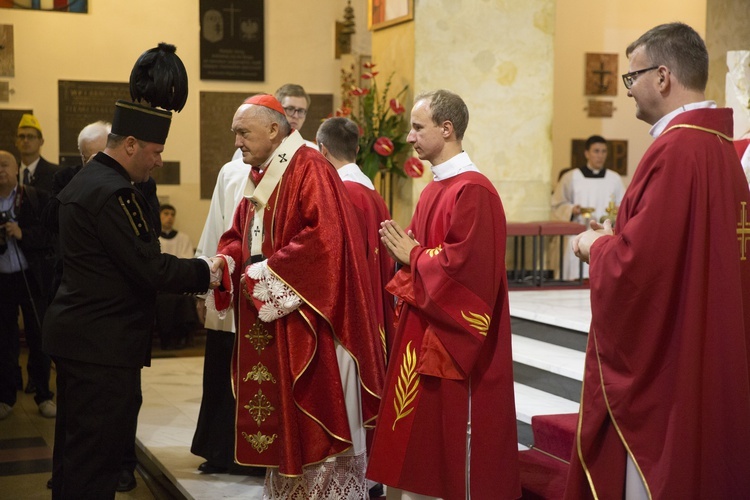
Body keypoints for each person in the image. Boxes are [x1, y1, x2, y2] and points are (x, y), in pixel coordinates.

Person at [567, 22, 750, 499]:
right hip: (707, 343)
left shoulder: (674, 150)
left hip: (667, 369)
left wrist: (595, 246)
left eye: (632, 78)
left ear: (662, 77)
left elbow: (637, 269)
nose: (627, 90)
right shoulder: (721, 151)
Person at [42, 43, 218, 499]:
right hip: (102, 341)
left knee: (73, 450)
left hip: (81, 334)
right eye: (156, 152)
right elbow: (150, 268)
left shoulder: (89, 179)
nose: (159, 161)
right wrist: (208, 272)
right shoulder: (116, 193)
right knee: (95, 459)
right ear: (132, 145)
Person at [209, 94, 384, 498]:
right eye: (236, 133)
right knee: (284, 425)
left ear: (274, 130)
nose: (236, 141)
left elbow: (324, 242)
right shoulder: (260, 174)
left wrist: (263, 273)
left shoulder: (310, 168)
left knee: (316, 425)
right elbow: (243, 235)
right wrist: (226, 260)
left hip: (312, 321)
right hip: (274, 317)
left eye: (243, 132)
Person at [366, 90, 521, 500]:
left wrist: (412, 255)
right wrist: (406, 259)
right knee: (417, 439)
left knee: (451, 443)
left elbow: (468, 273)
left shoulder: (474, 192)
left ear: (447, 129)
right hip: (424, 331)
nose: (410, 138)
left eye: (418, 128)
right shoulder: (434, 190)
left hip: (454, 344)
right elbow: (423, 256)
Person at [191, 152, 253, 474]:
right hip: (229, 286)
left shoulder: (298, 169)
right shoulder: (231, 170)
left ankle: (260, 455)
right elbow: (216, 225)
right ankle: (218, 449)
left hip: (265, 293)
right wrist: (204, 289)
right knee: (221, 367)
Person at [316, 117, 395, 357]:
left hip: (349, 317)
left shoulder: (341, 193)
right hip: (375, 305)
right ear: (357, 149)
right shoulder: (372, 193)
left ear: (322, 149)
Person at [0, 151, 56, 420]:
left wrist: (22, 234)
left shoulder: (34, 197)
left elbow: (50, 235)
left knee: (39, 337)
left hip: (30, 278)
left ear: (16, 169)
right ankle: (6, 397)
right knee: (5, 341)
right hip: (3, 281)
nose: (0, 170)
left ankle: (44, 395)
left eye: (5, 164)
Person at [550, 135, 625, 280]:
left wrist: (618, 210)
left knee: (602, 277)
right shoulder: (571, 177)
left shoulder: (614, 178)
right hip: (577, 232)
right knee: (576, 277)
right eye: (596, 151)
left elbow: (624, 204)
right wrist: (572, 210)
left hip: (604, 235)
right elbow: (557, 204)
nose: (600, 155)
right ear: (586, 153)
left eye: (604, 151)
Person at [156, 204, 199, 350]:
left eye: (172, 214)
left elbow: (187, 261)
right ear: (159, 216)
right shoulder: (154, 238)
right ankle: (166, 338)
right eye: (166, 214)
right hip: (160, 286)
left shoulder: (183, 238)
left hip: (178, 284)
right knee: (163, 300)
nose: (169, 217)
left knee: (185, 299)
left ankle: (184, 336)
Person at [16, 113, 59, 194]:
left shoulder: (55, 174)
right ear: (16, 142)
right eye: (21, 136)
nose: (25, 141)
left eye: (30, 136)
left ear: (41, 141)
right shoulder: (10, 174)